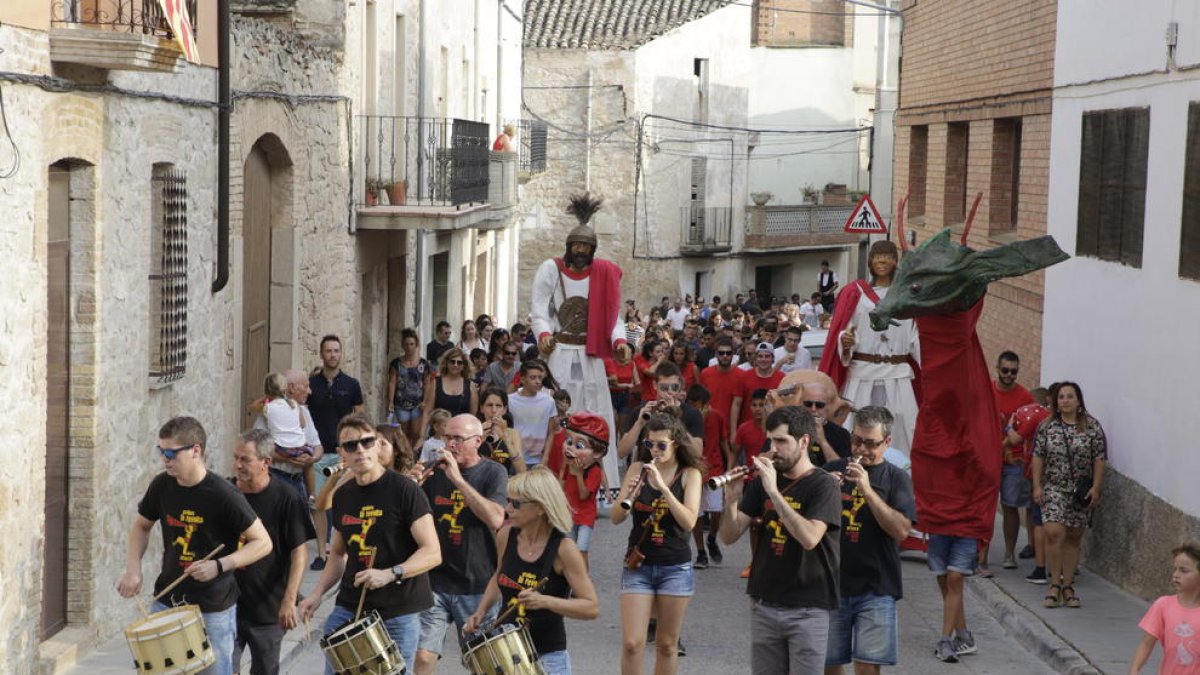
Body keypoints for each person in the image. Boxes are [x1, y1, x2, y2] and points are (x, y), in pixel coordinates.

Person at [118, 417, 273, 675]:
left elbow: (263, 542)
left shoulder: (224, 494)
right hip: (167, 600)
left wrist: (220, 565)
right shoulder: (161, 485)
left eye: (170, 453)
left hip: (213, 608)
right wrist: (133, 569)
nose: (164, 459)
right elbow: (142, 526)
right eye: (161, 452)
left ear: (196, 450)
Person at [299, 413, 442, 673]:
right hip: (351, 605)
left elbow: (432, 552)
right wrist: (317, 594)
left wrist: (390, 574)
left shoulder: (405, 490)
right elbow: (339, 555)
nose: (360, 450)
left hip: (398, 610)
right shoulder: (342, 495)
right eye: (351, 445)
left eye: (367, 442)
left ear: (378, 445)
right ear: (341, 453)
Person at [718, 406, 842, 674]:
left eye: (782, 441)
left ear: (804, 441)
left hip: (808, 608)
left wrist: (774, 492)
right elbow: (728, 536)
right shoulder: (763, 481)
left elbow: (810, 537)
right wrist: (731, 501)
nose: (773, 448)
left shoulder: (824, 485)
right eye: (771, 440)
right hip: (764, 602)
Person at [530, 192, 629, 491]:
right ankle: (552, 481)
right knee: (559, 414)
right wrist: (544, 335)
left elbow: (614, 318)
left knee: (598, 414)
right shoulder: (551, 269)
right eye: (577, 245)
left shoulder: (604, 274)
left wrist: (621, 342)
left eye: (586, 246)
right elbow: (538, 310)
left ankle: (600, 485)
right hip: (560, 351)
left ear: (593, 249)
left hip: (591, 353)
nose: (581, 250)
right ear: (569, 246)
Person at [462, 468, 599, 675]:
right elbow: (499, 575)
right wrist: (481, 611)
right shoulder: (506, 535)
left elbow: (591, 607)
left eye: (516, 503)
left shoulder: (563, 549)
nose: (508, 508)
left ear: (540, 508)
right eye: (508, 500)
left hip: (548, 656)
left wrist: (545, 601)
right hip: (507, 653)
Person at [822, 407, 915, 675]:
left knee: (867, 668)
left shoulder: (897, 479)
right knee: (829, 665)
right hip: (833, 584)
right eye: (856, 440)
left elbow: (901, 531)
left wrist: (866, 488)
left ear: (887, 442)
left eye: (870, 443)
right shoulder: (832, 470)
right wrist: (823, 492)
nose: (861, 449)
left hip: (877, 587)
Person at [413, 414, 508, 674]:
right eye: (448, 437)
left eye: (458, 438)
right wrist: (409, 488)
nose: (451, 444)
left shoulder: (493, 472)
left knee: (483, 663)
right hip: (435, 582)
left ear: (477, 441)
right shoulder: (433, 471)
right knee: (422, 656)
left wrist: (457, 480)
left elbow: (496, 518)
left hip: (476, 583)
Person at [612, 414, 703, 675]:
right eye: (650, 444)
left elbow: (688, 522)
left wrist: (664, 488)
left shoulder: (690, 474)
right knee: (632, 643)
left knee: (666, 644)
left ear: (675, 444)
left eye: (661, 445)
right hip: (638, 563)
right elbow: (617, 518)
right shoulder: (637, 468)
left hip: (674, 566)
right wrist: (628, 497)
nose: (654, 450)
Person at [819, 241, 920, 454]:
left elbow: (916, 337)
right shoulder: (856, 293)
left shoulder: (907, 294)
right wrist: (845, 341)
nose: (882, 260)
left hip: (897, 375)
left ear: (895, 261)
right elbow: (847, 328)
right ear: (870, 262)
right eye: (877, 256)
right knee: (854, 425)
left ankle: (900, 477)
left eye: (887, 256)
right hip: (862, 373)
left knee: (903, 427)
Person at [230, 429, 316, 675]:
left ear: (266, 462)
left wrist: (289, 600)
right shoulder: (226, 493)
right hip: (228, 605)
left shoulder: (287, 498)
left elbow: (299, 553)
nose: (237, 465)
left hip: (268, 608)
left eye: (244, 459)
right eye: (235, 457)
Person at [1032, 381, 1106, 609]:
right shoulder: (1047, 426)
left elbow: (1099, 458)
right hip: (1054, 486)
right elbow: (1038, 455)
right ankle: (1054, 584)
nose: (1065, 400)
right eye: (1061, 396)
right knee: (1054, 532)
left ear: (1078, 400)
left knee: (1073, 537)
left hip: (1079, 491)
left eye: (1069, 396)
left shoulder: (1092, 427)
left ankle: (1068, 586)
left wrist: (1096, 486)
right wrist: (1037, 485)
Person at [308, 334, 365, 571]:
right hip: (319, 454)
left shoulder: (351, 385)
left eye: (336, 351)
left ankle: (343, 551)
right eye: (328, 351)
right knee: (318, 505)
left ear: (341, 354)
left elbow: (360, 417)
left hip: (345, 454)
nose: (333, 355)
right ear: (321, 354)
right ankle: (322, 552)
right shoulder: (311, 384)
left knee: (346, 502)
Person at [985, 351, 1035, 578]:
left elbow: (1032, 426)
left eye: (1014, 371)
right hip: (987, 457)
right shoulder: (986, 389)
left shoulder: (1025, 396)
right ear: (997, 368)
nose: (1009, 375)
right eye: (1005, 370)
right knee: (985, 507)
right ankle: (981, 555)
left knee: (1010, 506)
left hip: (1013, 460)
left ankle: (1008, 553)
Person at [252, 369, 323, 507]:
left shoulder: (273, 408)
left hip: (297, 479)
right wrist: (291, 458)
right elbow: (258, 448)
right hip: (276, 476)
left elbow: (318, 446)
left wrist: (312, 458)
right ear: (290, 388)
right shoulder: (274, 412)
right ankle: (313, 494)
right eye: (305, 386)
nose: (309, 391)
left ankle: (312, 496)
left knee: (298, 522)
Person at [1129, 542, 1200, 674]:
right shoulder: (1163, 605)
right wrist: (1134, 670)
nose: (1176, 575)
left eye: (1184, 570)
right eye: (1175, 569)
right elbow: (1146, 644)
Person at [1008, 388, 1053, 584]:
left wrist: (1008, 427)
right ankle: (1059, 567)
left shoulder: (1035, 416)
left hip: (1036, 475)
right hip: (1055, 477)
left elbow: (1016, 439)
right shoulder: (1055, 419)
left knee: (1039, 521)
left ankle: (1041, 566)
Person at [617, 362, 705, 462]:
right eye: (664, 388)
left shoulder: (692, 414)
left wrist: (675, 418)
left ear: (680, 385)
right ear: (655, 385)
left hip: (678, 472)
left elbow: (697, 453)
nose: (670, 391)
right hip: (648, 470)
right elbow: (621, 452)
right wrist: (639, 423)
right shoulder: (642, 411)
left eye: (675, 387)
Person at [687, 385, 731, 570]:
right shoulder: (687, 417)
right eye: (691, 403)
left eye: (697, 403)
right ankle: (701, 552)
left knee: (717, 509)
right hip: (694, 469)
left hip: (714, 468)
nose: (694, 406)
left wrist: (730, 467)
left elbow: (723, 442)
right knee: (696, 512)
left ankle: (712, 538)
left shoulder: (716, 416)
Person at [556, 413, 608, 569]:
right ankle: (571, 580)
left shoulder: (595, 471)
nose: (570, 448)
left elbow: (584, 495)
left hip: (585, 517)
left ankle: (585, 580)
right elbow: (561, 487)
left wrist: (578, 474)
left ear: (597, 453)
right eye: (569, 442)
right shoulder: (569, 465)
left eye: (579, 446)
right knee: (569, 550)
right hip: (569, 515)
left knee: (581, 550)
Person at [508, 360, 559, 468]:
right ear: (522, 379)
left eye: (540, 377)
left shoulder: (549, 401)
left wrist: (545, 458)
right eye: (533, 377)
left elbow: (551, 432)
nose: (537, 381)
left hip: (538, 460)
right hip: (514, 457)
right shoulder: (510, 400)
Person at [388, 329, 433, 448]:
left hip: (418, 404)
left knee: (416, 434)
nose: (409, 347)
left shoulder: (423, 364)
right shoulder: (396, 363)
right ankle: (405, 457)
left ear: (416, 345)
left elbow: (427, 383)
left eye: (412, 344)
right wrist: (390, 402)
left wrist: (425, 401)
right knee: (403, 435)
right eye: (406, 344)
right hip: (401, 403)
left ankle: (412, 457)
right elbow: (392, 382)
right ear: (403, 345)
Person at [729, 342, 785, 437]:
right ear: (756, 358)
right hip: (747, 432)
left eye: (767, 356)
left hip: (773, 431)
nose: (763, 359)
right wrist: (733, 432)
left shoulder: (782, 378)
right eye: (760, 356)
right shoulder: (744, 376)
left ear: (772, 359)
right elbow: (736, 404)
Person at [419, 348, 478, 436]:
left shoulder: (470, 386)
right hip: (439, 435)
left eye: (459, 362)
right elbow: (428, 411)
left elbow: (473, 415)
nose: (455, 365)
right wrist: (421, 436)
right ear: (446, 363)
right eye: (452, 361)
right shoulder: (436, 382)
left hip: (461, 435)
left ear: (463, 366)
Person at [478, 387, 528, 475]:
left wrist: (506, 439)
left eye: (498, 406)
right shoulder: (474, 431)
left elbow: (522, 470)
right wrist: (479, 438)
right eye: (489, 405)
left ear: (504, 410)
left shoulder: (512, 433)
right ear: (482, 408)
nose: (493, 410)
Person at [605, 343, 641, 417]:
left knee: (623, 419)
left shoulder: (631, 363)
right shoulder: (610, 363)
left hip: (626, 395)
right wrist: (624, 385)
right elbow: (604, 382)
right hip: (611, 395)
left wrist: (627, 386)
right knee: (613, 418)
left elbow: (637, 382)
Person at [635, 340, 667, 404]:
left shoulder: (663, 365)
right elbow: (651, 372)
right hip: (647, 400)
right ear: (650, 353)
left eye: (662, 351)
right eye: (658, 352)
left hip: (660, 399)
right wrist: (659, 361)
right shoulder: (643, 364)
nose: (661, 354)